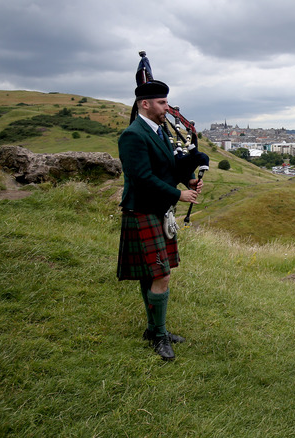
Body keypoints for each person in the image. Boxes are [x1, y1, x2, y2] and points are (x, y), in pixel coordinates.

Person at [116, 79, 202, 361]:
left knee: (152, 274)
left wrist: (186, 178)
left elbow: (165, 167)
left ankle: (153, 330)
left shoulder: (158, 131)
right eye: (163, 103)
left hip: (158, 209)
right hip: (142, 209)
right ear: (145, 104)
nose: (168, 107)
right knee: (160, 274)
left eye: (166, 102)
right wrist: (179, 195)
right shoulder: (133, 135)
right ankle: (160, 334)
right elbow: (142, 177)